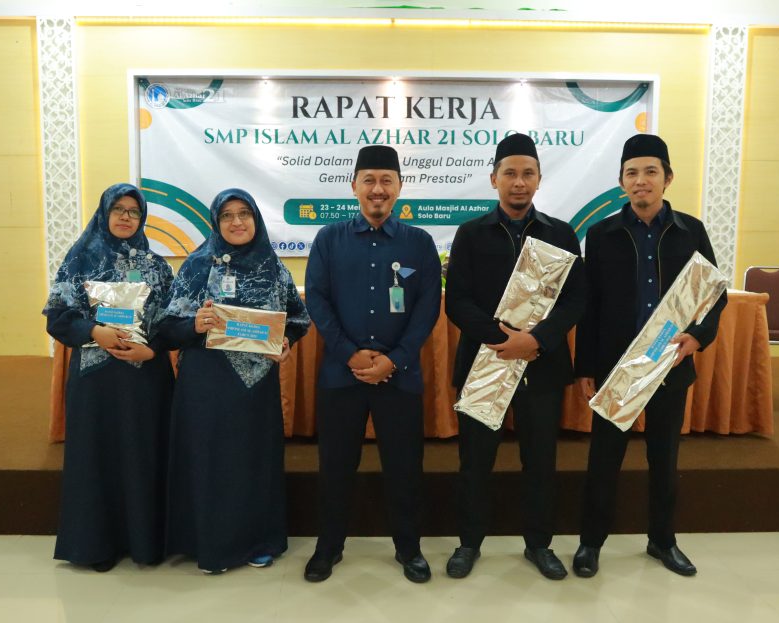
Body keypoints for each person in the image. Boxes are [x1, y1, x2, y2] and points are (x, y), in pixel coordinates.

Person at [573, 134, 727, 578]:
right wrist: (586, 367)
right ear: (622, 181)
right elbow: (591, 306)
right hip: (616, 368)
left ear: (667, 178)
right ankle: (590, 543)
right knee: (604, 461)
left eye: (650, 172)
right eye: (632, 173)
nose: (641, 181)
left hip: (670, 364)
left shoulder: (690, 231)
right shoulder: (601, 235)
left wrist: (698, 337)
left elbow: (714, 295)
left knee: (664, 460)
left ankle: (663, 540)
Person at [444, 133, 586, 580]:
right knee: (475, 462)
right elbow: (457, 301)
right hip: (484, 363)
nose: (518, 182)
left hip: (541, 367)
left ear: (539, 179)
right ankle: (469, 543)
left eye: (527, 174)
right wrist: (504, 341)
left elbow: (576, 299)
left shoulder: (560, 234)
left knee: (541, 462)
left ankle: (539, 544)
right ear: (494, 179)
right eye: (510, 173)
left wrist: (536, 340)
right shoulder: (471, 233)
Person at [303, 145, 442, 583]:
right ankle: (328, 548)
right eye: (369, 180)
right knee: (335, 467)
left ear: (399, 187)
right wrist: (349, 352)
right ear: (354, 187)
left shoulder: (419, 243)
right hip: (340, 374)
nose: (377, 189)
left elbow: (428, 308)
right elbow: (317, 300)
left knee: (405, 467)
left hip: (399, 376)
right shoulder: (329, 239)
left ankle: (409, 548)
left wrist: (394, 360)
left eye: (386, 180)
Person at [161, 188, 310, 574]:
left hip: (255, 386)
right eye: (227, 215)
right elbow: (165, 328)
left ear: (256, 219)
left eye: (245, 213)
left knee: (253, 461)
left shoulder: (272, 266)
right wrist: (195, 324)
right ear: (215, 222)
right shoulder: (197, 265)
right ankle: (210, 546)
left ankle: (257, 542)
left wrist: (286, 342)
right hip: (206, 384)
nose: (237, 222)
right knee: (210, 462)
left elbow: (298, 318)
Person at [44, 183, 175, 572]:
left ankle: (145, 542)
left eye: (134, 211)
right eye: (118, 209)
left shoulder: (156, 266)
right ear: (104, 212)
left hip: (146, 379)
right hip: (96, 379)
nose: (125, 217)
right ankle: (96, 545)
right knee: (96, 457)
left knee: (143, 455)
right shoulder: (80, 260)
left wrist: (154, 349)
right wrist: (93, 331)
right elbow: (57, 317)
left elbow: (172, 322)